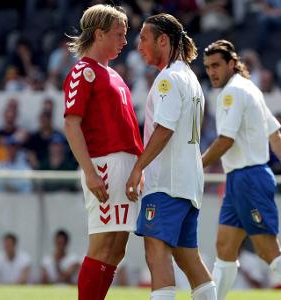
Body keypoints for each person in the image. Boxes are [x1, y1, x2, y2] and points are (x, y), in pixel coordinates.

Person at [202, 40, 281, 300]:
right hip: (239, 179)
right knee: (225, 248)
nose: (212, 72)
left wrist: (196, 166)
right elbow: (275, 137)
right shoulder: (249, 89)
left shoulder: (232, 93)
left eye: (217, 65)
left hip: (248, 178)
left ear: (232, 63)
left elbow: (225, 140)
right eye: (208, 67)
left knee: (268, 251)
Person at [125, 13, 216, 300]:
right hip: (188, 183)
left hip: (166, 183)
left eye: (144, 39)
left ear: (163, 40)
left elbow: (164, 129)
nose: (139, 47)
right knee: (189, 259)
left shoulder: (168, 79)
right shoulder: (191, 78)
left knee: (156, 252)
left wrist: (138, 167)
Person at [63, 4, 143, 300]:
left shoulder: (113, 75)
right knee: (102, 245)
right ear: (99, 34)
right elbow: (72, 125)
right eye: (119, 35)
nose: (124, 41)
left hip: (126, 165)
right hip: (105, 166)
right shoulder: (82, 72)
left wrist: (138, 167)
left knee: (118, 247)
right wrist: (91, 172)